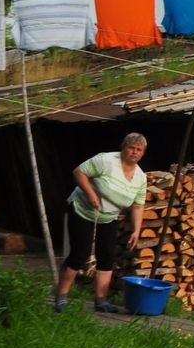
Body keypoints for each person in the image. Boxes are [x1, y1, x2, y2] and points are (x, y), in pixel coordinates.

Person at [54, 132, 149, 313]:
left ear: (143, 153)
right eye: (131, 147)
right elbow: (79, 172)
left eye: (139, 150)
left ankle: (101, 300)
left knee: (107, 256)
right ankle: (61, 298)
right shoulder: (106, 161)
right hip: (82, 210)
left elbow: (138, 205)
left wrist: (136, 230)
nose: (134, 152)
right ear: (123, 147)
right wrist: (91, 194)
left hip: (109, 216)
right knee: (79, 253)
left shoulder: (140, 178)